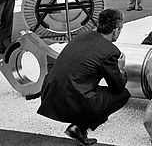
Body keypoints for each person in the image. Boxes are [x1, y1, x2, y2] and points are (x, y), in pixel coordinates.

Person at [37, 9, 131, 146]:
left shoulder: (82, 36)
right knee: (123, 95)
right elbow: (117, 87)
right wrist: (120, 68)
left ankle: (78, 128)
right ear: (116, 30)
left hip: (49, 93)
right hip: (71, 100)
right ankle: (80, 128)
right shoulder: (111, 51)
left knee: (91, 87)